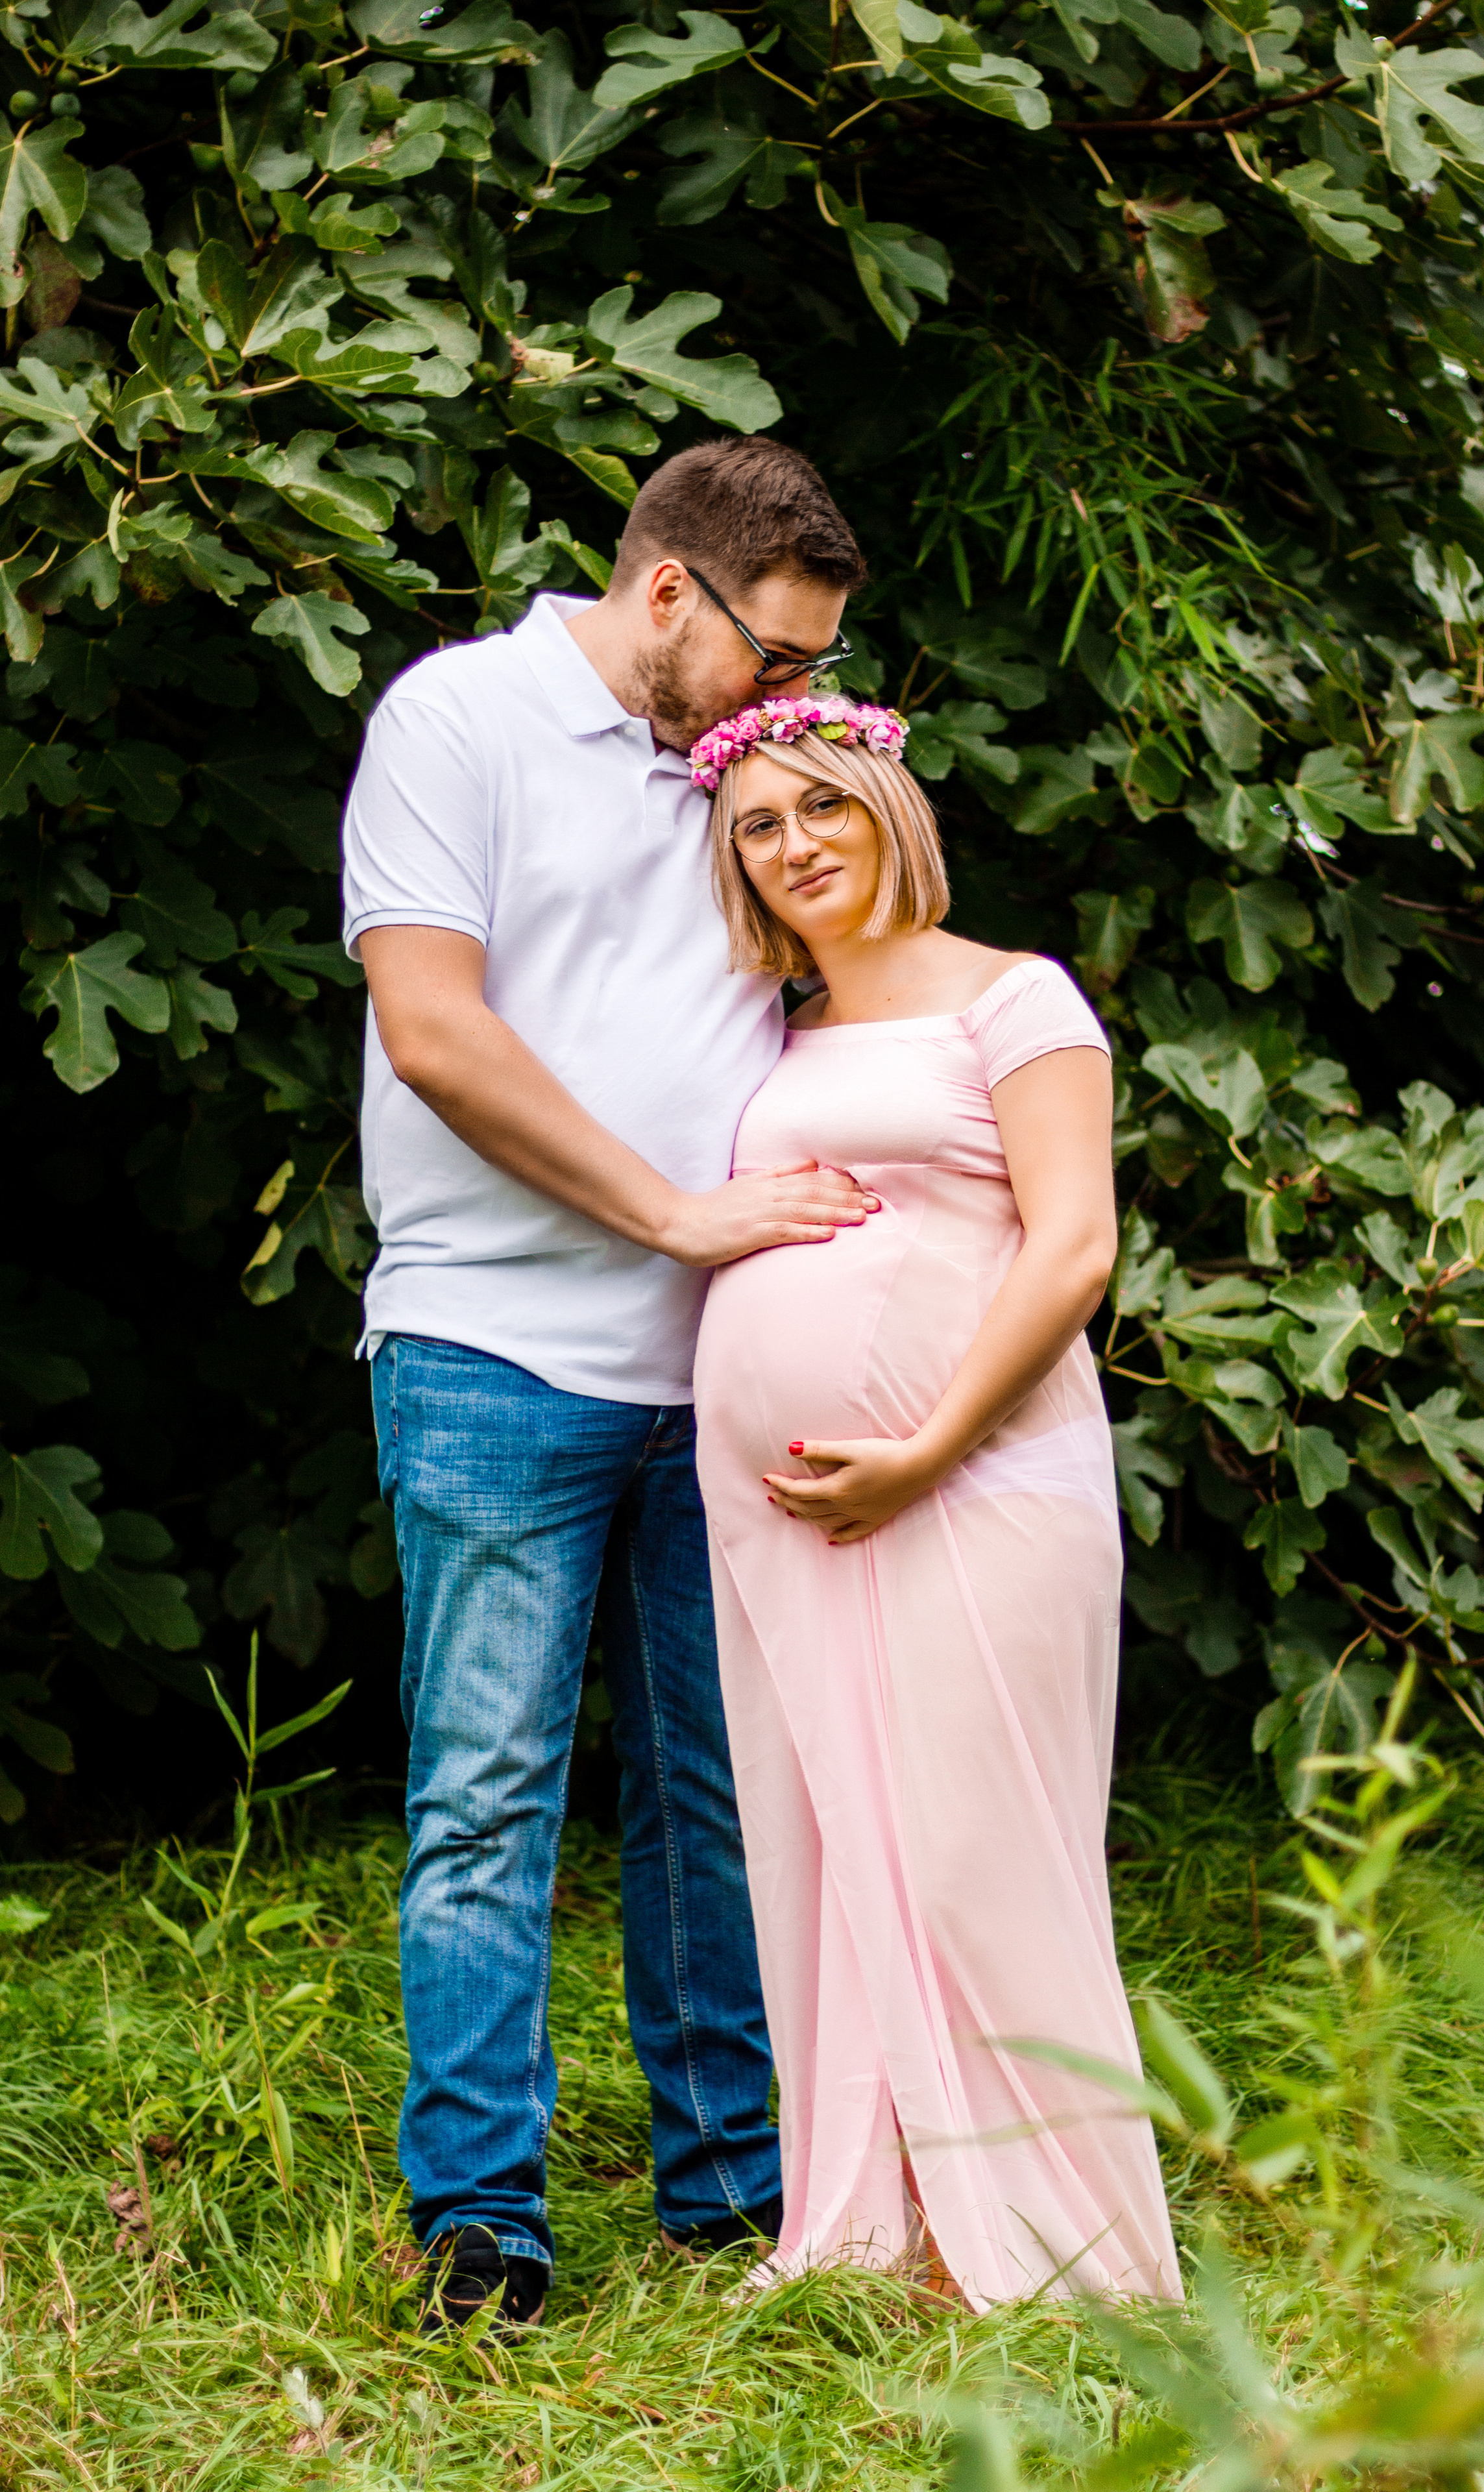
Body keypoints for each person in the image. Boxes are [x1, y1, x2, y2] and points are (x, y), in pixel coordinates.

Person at [340, 439, 879, 2333]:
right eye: (773, 654)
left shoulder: (750, 767)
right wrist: (670, 1211)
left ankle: (730, 2187)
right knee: (487, 1797)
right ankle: (481, 2223)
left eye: (815, 670)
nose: (787, 695)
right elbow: (433, 1031)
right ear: (668, 591)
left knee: (711, 1795)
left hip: (716, 1369)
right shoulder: (457, 721)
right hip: (493, 1349)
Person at [689, 695, 1181, 2310]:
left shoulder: (1014, 1001)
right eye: (757, 829)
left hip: (980, 1483)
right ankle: (879, 2226)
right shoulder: (773, 1033)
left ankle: (1051, 2243)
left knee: (975, 1848)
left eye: (819, 809)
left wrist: (924, 1443)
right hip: (792, 1519)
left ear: (886, 810)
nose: (792, 847)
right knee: (829, 1842)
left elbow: (1073, 1248)